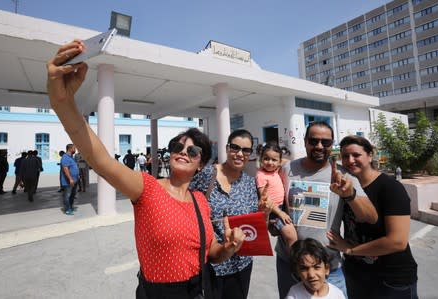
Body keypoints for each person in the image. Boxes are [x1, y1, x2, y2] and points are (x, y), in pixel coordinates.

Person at [47, 40, 245, 299]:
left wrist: (228, 248)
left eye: (193, 150)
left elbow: (212, 253)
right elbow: (102, 162)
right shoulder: (147, 188)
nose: (183, 151)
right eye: (178, 146)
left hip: (199, 291)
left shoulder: (200, 202)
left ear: (200, 165)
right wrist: (63, 103)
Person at [275, 121, 378, 299]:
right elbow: (278, 208)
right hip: (290, 262)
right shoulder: (287, 169)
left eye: (326, 142)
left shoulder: (343, 174)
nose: (319, 146)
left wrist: (349, 194)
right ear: (305, 141)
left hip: (327, 267)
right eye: (314, 141)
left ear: (332, 145)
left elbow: (370, 216)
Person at [327, 135, 418, 299]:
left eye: (356, 155)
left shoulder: (390, 188)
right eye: (345, 156)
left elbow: (397, 241)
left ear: (370, 155)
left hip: (391, 278)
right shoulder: (346, 185)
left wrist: (350, 249)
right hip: (357, 274)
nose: (350, 160)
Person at [190, 129, 269, 299]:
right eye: (235, 148)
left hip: (241, 265)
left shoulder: (249, 183)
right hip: (211, 265)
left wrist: (264, 213)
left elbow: (255, 227)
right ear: (227, 148)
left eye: (246, 150)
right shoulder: (207, 175)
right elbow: (187, 204)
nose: (240, 154)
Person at [255, 141, 297, 250]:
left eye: (274, 160)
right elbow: (265, 199)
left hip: (282, 208)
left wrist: (279, 161)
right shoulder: (261, 175)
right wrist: (280, 213)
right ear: (260, 159)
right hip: (274, 212)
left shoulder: (275, 170)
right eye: (266, 158)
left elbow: (287, 161)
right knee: (291, 236)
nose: (270, 162)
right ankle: (295, 260)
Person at [61, 144, 79, 215]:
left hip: (75, 180)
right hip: (68, 181)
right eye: (74, 148)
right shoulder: (65, 157)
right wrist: (70, 179)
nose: (75, 150)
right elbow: (65, 169)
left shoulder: (71, 157)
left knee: (72, 195)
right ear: (70, 149)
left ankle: (70, 207)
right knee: (67, 195)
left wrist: (77, 176)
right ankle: (67, 209)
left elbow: (73, 167)